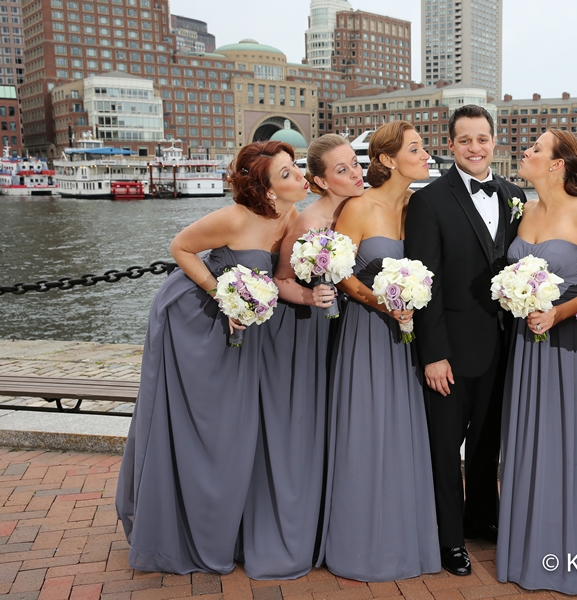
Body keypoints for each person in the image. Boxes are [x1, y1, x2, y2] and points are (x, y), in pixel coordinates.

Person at [116, 140, 312, 575]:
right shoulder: (233, 217)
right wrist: (220, 295)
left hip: (244, 326)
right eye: (286, 174)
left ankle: (235, 528)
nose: (299, 177)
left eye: (296, 168)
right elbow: (180, 247)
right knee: (209, 427)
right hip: (198, 321)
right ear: (265, 190)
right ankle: (186, 529)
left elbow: (280, 278)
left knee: (240, 430)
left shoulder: (292, 216)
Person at [317, 120, 441, 582]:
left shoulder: (418, 208)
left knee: (403, 432)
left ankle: (402, 537)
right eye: (416, 148)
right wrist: (379, 301)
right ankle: (361, 543)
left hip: (406, 337)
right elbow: (340, 271)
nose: (426, 154)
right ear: (388, 160)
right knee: (367, 430)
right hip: (367, 334)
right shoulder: (358, 207)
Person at [237, 134, 365, 579]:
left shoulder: (359, 208)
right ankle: (293, 530)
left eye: (354, 164)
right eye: (343, 170)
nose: (355, 173)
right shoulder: (309, 219)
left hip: (349, 330)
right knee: (302, 427)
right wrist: (312, 298)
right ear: (320, 180)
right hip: (304, 331)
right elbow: (281, 278)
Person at [494, 130, 577, 594]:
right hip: (528, 349)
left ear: (557, 164)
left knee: (574, 444)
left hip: (573, 351)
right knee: (530, 441)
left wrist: (560, 310)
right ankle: (530, 549)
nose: (526, 152)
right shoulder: (525, 213)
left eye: (536, 149)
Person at [405, 105, 521, 576]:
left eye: (483, 138)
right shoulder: (429, 201)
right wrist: (433, 353)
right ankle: (450, 539)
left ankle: (481, 521)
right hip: (450, 349)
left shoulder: (515, 195)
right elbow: (424, 281)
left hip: (504, 347)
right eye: (465, 140)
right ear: (450, 145)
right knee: (444, 447)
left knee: (487, 443)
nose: (476, 147)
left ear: (495, 142)